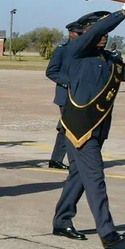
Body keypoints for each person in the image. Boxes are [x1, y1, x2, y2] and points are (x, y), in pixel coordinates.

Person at [52, 0, 125, 249]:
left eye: (106, 33)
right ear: (87, 33)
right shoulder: (76, 52)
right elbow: (99, 29)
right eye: (99, 32)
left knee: (78, 176)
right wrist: (122, 13)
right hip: (80, 127)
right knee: (95, 177)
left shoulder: (109, 59)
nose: (104, 37)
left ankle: (61, 220)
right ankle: (107, 231)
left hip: (97, 126)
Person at [46, 18, 96, 168]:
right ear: (70, 34)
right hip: (65, 95)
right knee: (69, 128)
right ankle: (71, 161)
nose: (80, 36)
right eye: (78, 33)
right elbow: (51, 72)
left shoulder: (85, 51)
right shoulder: (62, 50)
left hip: (81, 96)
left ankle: (56, 160)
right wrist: (70, 82)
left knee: (67, 128)